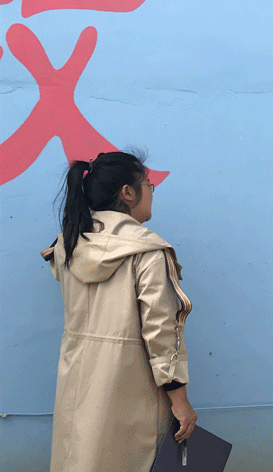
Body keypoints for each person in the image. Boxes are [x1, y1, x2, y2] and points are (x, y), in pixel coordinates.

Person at [41, 152, 198, 472]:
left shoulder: (67, 245)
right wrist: (180, 401)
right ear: (128, 192)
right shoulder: (148, 250)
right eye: (148, 184)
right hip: (132, 390)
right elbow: (161, 332)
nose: (151, 191)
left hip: (77, 383)